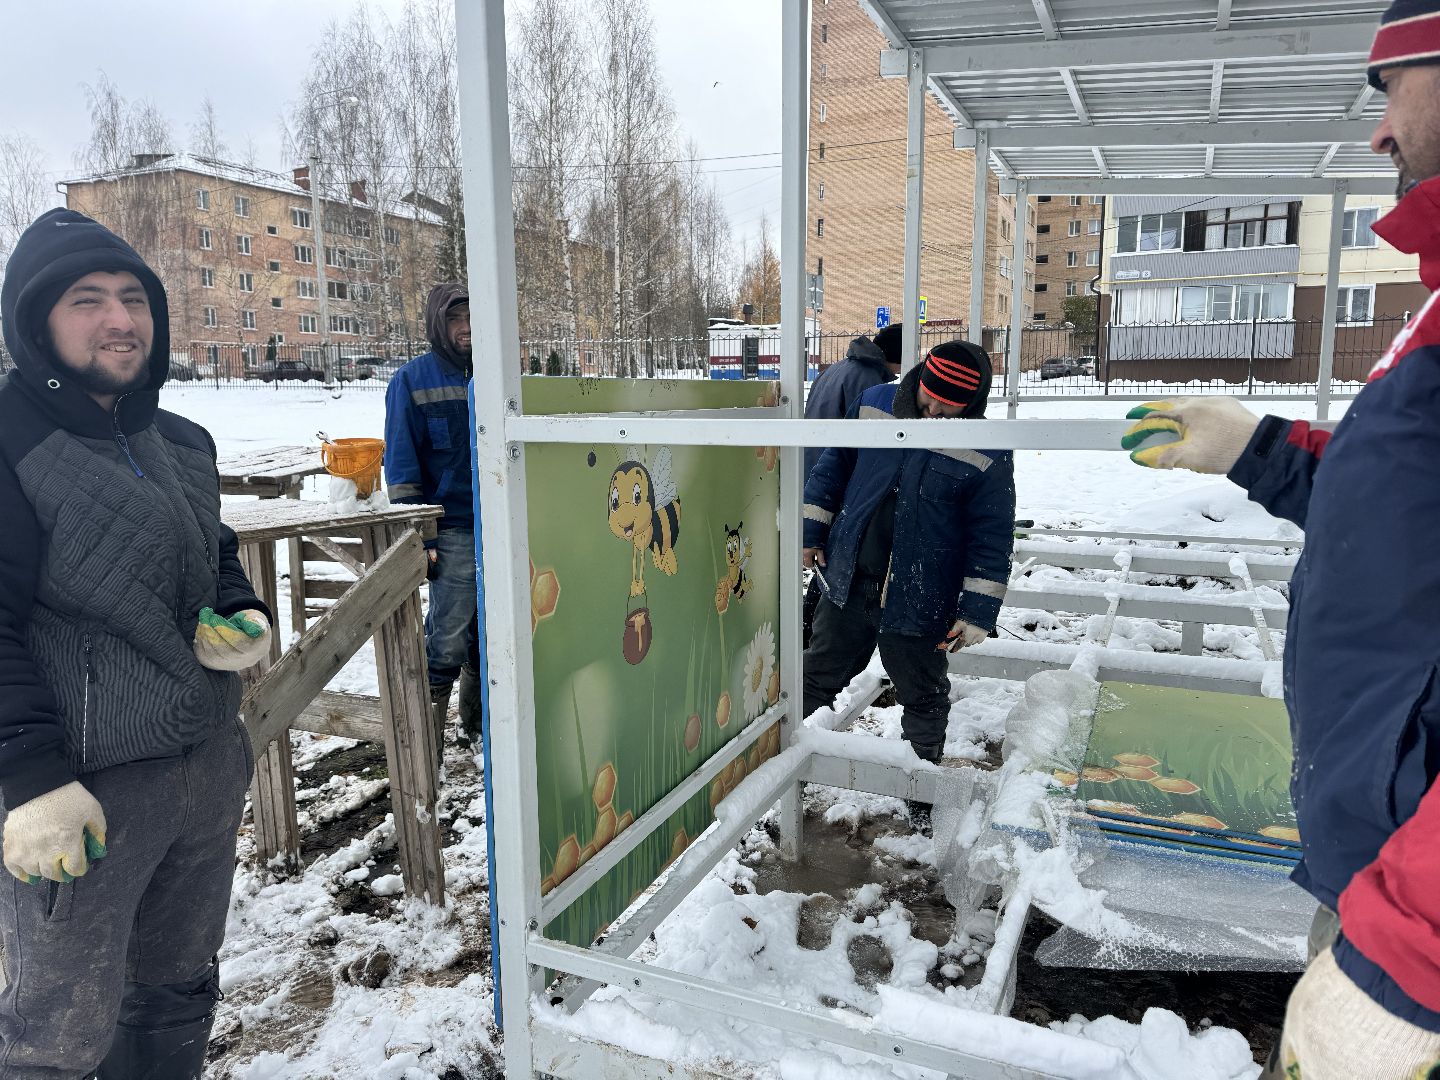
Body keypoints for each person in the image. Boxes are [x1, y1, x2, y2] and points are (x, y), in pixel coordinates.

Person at [1121, 5, 1440, 1073]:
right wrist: (1262, 447)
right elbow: (1396, 511)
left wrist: (1411, 957)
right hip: (1382, 876)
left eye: (1393, 84)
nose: (1378, 131)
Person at [0, 208, 271, 1078]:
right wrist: (31, 780)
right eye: (87, 300)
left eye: (133, 298)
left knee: (177, 989)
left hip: (202, 773)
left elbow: (215, 551)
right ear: (37, 322)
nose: (120, 319)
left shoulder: (182, 440)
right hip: (83, 802)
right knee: (56, 1030)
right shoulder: (10, 444)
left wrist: (241, 612)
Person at [802, 341, 1015, 784]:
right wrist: (811, 533)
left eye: (949, 407)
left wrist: (977, 611)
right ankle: (776, 767)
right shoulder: (874, 403)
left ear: (971, 405)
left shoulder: (988, 446)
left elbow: (991, 533)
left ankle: (922, 788)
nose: (935, 411)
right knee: (814, 675)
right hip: (850, 579)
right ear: (918, 379)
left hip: (922, 594)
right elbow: (832, 469)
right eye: (928, 398)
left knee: (923, 695)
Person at [384, 283, 482, 755]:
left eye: (471, 318)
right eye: (454, 320)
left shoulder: (498, 374)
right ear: (436, 324)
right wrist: (419, 536)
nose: (465, 329)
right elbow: (401, 470)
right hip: (453, 529)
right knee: (446, 638)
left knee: (491, 635)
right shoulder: (411, 381)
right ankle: (426, 752)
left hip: (500, 527)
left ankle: (479, 729)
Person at [801, 324, 903, 648]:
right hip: (838, 483)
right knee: (835, 563)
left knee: (826, 559)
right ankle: (813, 632)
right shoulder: (871, 382)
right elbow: (867, 452)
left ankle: (807, 627)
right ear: (896, 359)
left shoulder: (836, 370)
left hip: (816, 473)